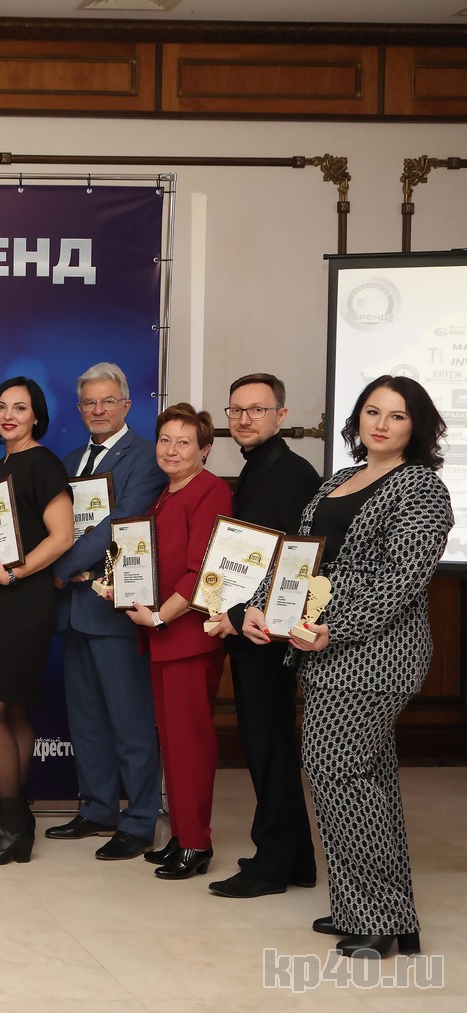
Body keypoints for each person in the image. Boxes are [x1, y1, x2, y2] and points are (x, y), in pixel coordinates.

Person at [245, 375, 451, 959]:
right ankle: (381, 913)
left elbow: (400, 582)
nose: (381, 424)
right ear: (357, 418)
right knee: (365, 779)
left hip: (376, 652)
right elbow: (299, 558)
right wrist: (262, 605)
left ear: (417, 426)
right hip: (322, 646)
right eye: (372, 411)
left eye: (397, 415)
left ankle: (376, 920)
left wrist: (336, 629)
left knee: (338, 772)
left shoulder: (421, 488)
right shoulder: (339, 479)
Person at [205, 373, 319, 899]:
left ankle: (272, 864)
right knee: (267, 745)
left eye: (257, 409)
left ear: (281, 415)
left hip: (266, 632)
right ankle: (295, 859)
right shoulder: (258, 467)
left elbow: (290, 562)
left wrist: (238, 613)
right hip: (253, 627)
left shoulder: (291, 473)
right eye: (236, 410)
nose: (244, 419)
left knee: (269, 747)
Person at [46, 363, 166, 861]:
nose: (98, 409)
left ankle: (139, 820)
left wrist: (60, 567)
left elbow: (122, 522)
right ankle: (97, 809)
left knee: (130, 720)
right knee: (87, 719)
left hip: (114, 608)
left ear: (126, 405)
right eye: (89, 402)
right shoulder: (70, 460)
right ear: (79, 409)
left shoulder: (146, 457)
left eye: (107, 401)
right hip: (73, 610)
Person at [117, 402, 231, 880]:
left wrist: (161, 616)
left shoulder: (211, 490)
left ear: (204, 450)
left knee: (191, 744)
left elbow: (203, 570)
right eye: (165, 440)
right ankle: (182, 836)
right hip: (162, 636)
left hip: (187, 637)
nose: (171, 449)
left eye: (184, 442)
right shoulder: (166, 493)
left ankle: (196, 844)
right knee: (173, 742)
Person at [0, 377, 73, 866]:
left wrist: (15, 573)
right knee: (11, 710)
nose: (9, 415)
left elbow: (62, 536)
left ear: (36, 416)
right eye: (2, 407)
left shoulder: (43, 463)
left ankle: (12, 823)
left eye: (20, 407)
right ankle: (16, 823)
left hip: (23, 598)